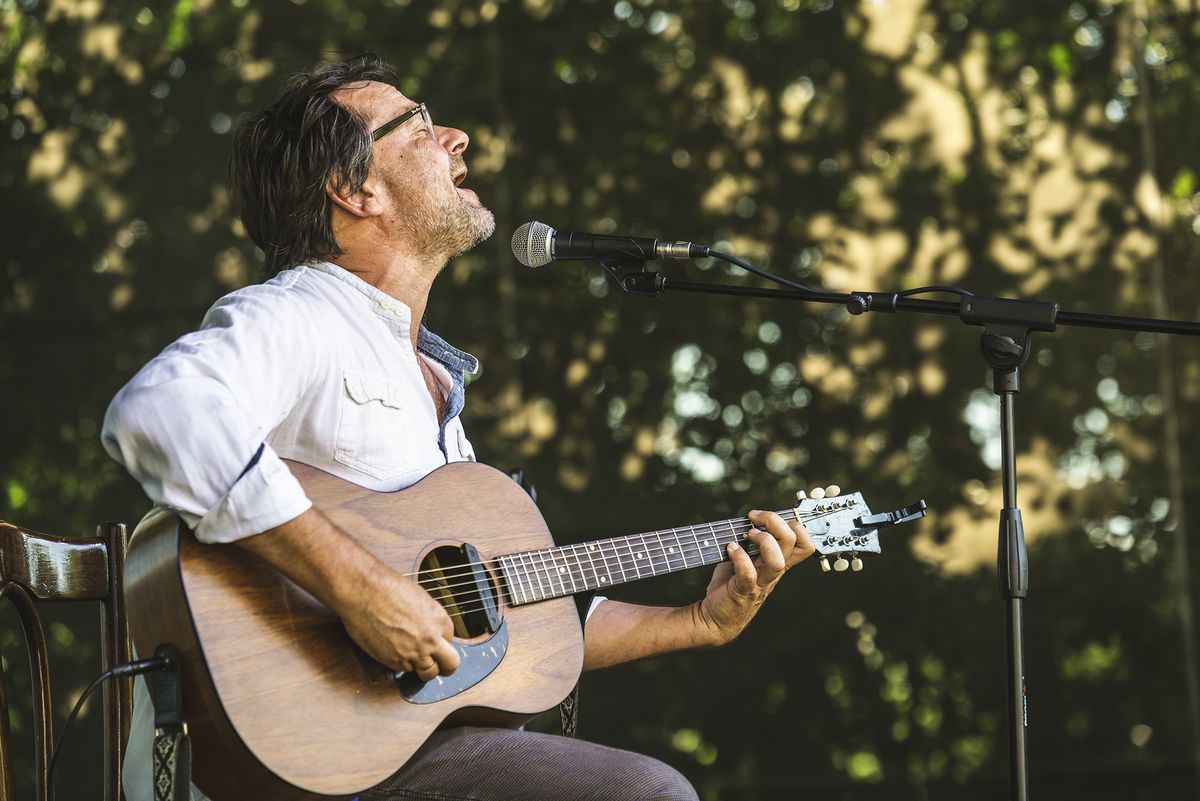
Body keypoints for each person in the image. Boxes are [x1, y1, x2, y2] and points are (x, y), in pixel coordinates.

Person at [102, 53, 815, 801]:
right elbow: (160, 410)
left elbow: (522, 618)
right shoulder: (298, 314)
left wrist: (698, 621)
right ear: (355, 189)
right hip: (300, 761)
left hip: (399, 750)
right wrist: (361, 590)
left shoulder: (427, 378)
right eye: (418, 126)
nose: (456, 137)